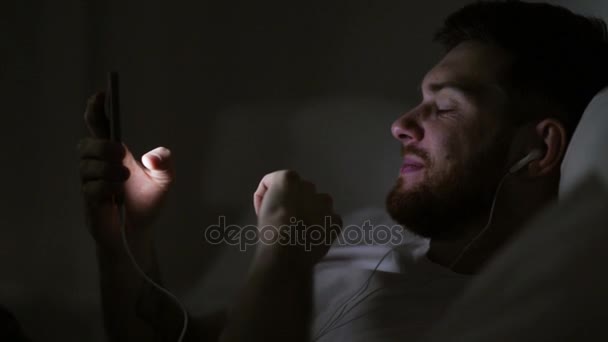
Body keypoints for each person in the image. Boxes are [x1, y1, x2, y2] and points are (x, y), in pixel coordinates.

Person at [77, 1, 608, 341]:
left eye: (444, 107)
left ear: (540, 149)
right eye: (417, 100)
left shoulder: (522, 315)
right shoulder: (358, 232)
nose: (401, 125)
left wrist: (282, 256)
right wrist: (124, 234)